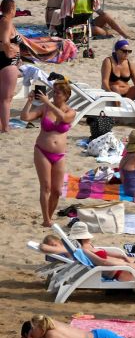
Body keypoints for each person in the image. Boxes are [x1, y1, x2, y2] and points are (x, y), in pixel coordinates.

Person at [22, 79, 75, 227]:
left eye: (58, 93)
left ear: (65, 95)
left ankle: (49, 217)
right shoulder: (45, 108)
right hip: (42, 151)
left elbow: (63, 118)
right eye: (54, 92)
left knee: (57, 190)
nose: (54, 95)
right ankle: (46, 220)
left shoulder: (70, 111)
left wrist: (48, 102)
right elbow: (24, 117)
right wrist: (30, 102)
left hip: (59, 155)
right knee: (45, 186)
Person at [100, 39, 135, 106]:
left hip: (127, 92)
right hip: (113, 92)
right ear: (117, 51)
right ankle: (117, 113)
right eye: (124, 51)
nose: (127, 53)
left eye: (129, 51)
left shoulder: (130, 63)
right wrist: (110, 93)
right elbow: (104, 81)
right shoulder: (108, 61)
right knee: (115, 88)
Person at [0, 0, 21, 132]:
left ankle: (2, 125)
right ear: (12, 9)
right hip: (8, 63)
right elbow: (6, 41)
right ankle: (6, 127)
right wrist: (9, 52)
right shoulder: (6, 22)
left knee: (1, 98)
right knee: (6, 98)